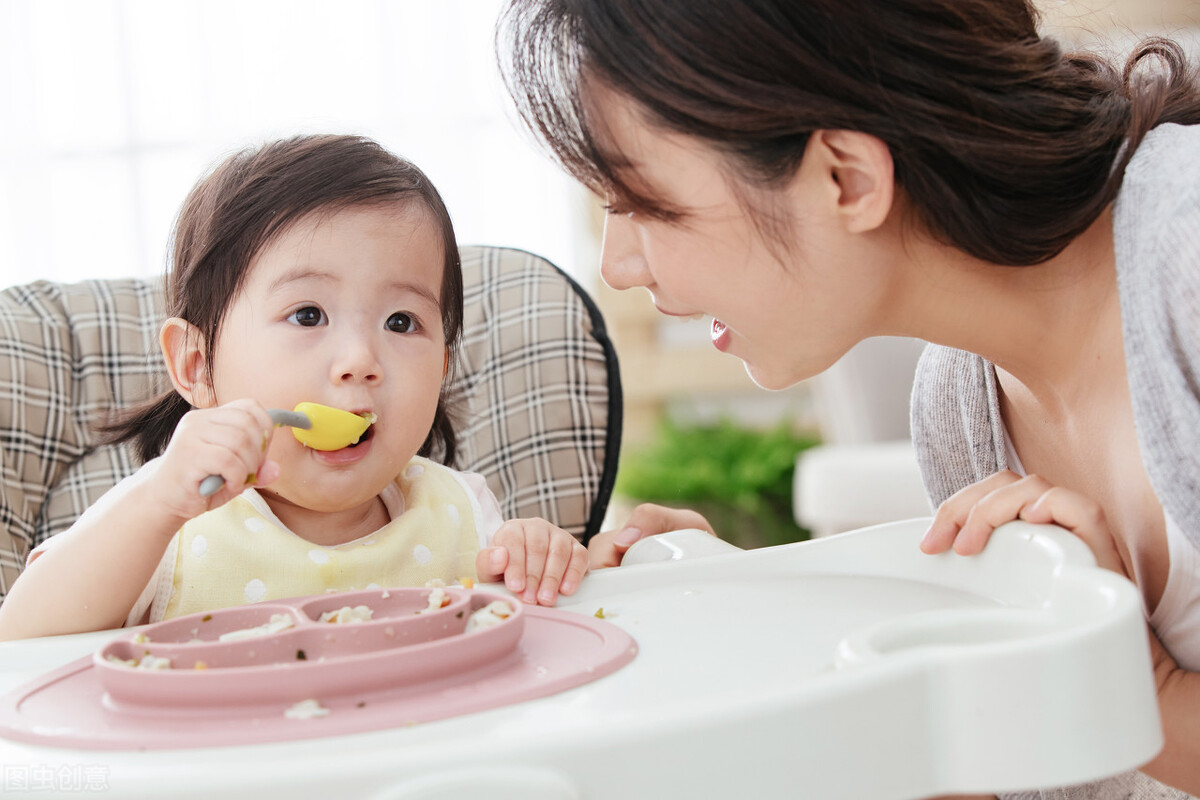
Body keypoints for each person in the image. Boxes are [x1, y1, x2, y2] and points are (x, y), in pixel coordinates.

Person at [497, 1, 1200, 798]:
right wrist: (747, 625)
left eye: (644, 205)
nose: (618, 265)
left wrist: (1132, 680)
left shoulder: (1187, 255)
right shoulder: (958, 405)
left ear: (848, 178)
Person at [0, 135, 589, 641]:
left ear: (442, 368)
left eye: (402, 322)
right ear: (198, 365)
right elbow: (22, 640)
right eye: (308, 315)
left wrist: (538, 561)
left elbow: (531, 639)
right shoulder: (166, 520)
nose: (360, 361)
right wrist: (155, 508)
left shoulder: (465, 515)